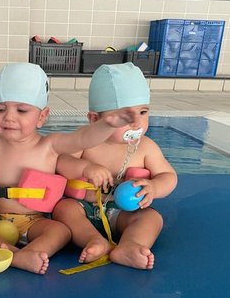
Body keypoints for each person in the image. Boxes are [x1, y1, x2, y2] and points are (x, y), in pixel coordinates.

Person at [0, 63, 139, 274]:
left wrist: (107, 125)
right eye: (0, 109)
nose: (9, 116)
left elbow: (82, 139)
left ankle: (22, 253)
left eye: (22, 110)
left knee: (61, 232)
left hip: (33, 223)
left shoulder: (49, 146)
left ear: (42, 116)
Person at [52, 62, 177, 271]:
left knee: (152, 218)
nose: (137, 123)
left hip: (123, 213)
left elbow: (168, 175)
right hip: (84, 209)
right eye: (125, 117)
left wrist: (154, 187)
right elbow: (59, 162)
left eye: (143, 112)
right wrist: (85, 168)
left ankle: (130, 245)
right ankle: (93, 240)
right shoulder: (85, 141)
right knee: (63, 209)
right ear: (95, 119)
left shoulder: (146, 147)